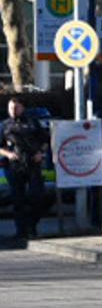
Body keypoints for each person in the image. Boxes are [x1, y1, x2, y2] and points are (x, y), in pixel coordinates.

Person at [1, 98, 48, 244]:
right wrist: (8, 154)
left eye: (16, 107)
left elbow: (45, 141)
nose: (13, 111)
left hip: (33, 163)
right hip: (15, 166)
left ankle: (31, 225)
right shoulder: (4, 125)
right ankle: (21, 232)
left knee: (38, 197)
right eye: (10, 108)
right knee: (18, 200)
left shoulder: (33, 122)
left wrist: (41, 153)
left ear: (22, 107)